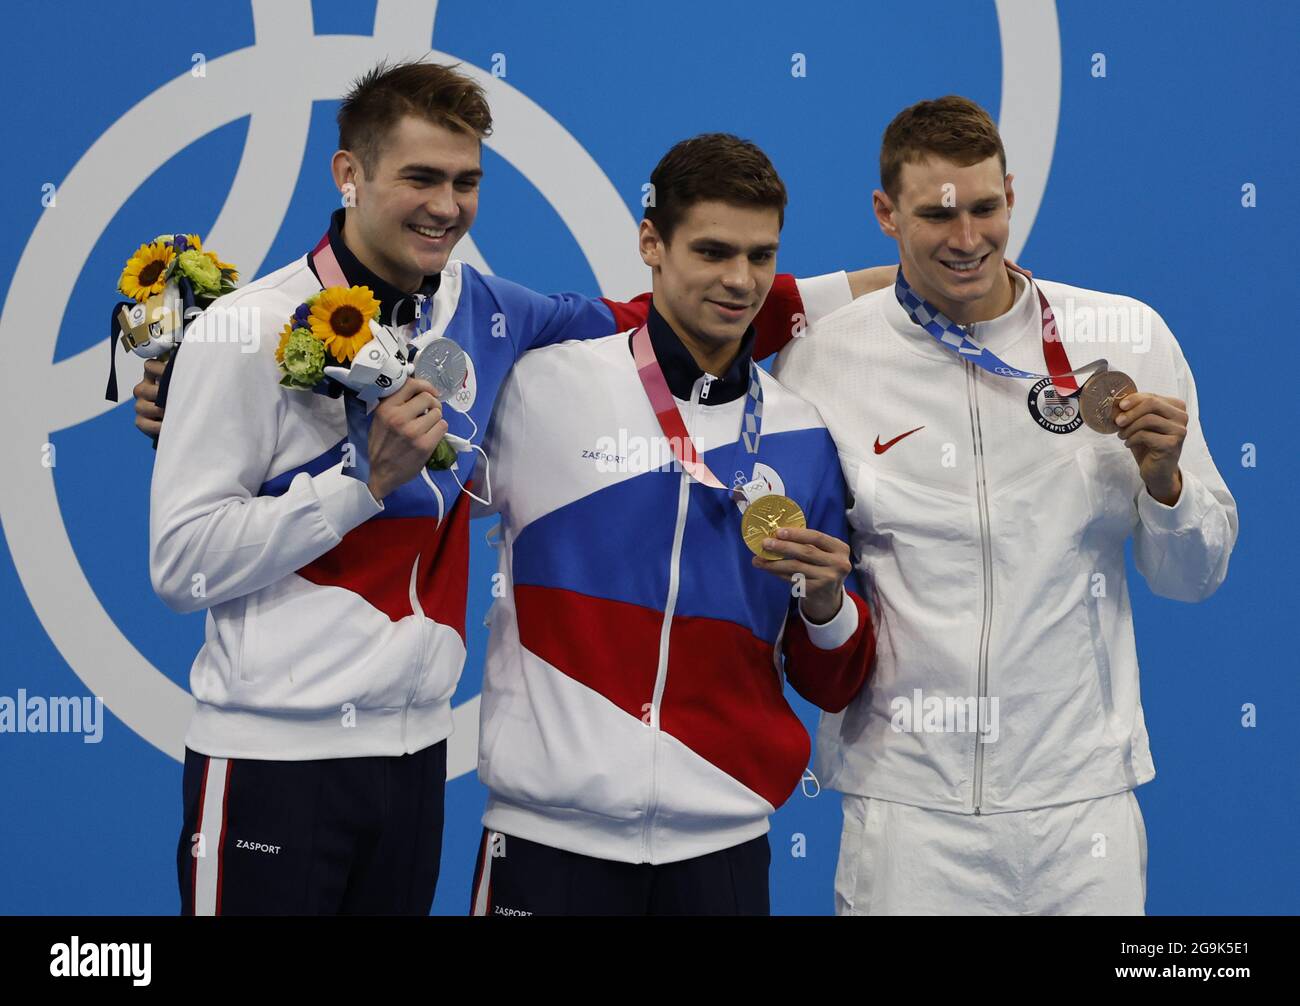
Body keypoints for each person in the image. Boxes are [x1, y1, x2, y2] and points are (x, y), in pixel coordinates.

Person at [145, 59, 889, 915]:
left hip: (413, 757)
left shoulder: (492, 315)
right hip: (271, 758)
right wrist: (359, 483)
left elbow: (677, 314)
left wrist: (912, 282)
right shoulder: (251, 328)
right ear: (348, 174)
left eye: (466, 181)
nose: (446, 205)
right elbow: (180, 567)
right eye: (420, 177)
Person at [768, 95, 1238, 915]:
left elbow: (1193, 577)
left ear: (1011, 195)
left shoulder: (1126, 335)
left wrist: (1168, 486)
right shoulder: (823, 362)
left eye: (986, 207)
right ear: (885, 214)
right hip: (909, 809)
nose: (967, 237)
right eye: (936, 214)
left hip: (1082, 803)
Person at [467, 134, 875, 916]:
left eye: (762, 257)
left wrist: (826, 607)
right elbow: (407, 503)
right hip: (544, 844)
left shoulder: (804, 434)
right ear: (650, 243)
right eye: (714, 251)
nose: (741, 280)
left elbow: (832, 677)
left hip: (719, 853)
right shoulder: (541, 390)